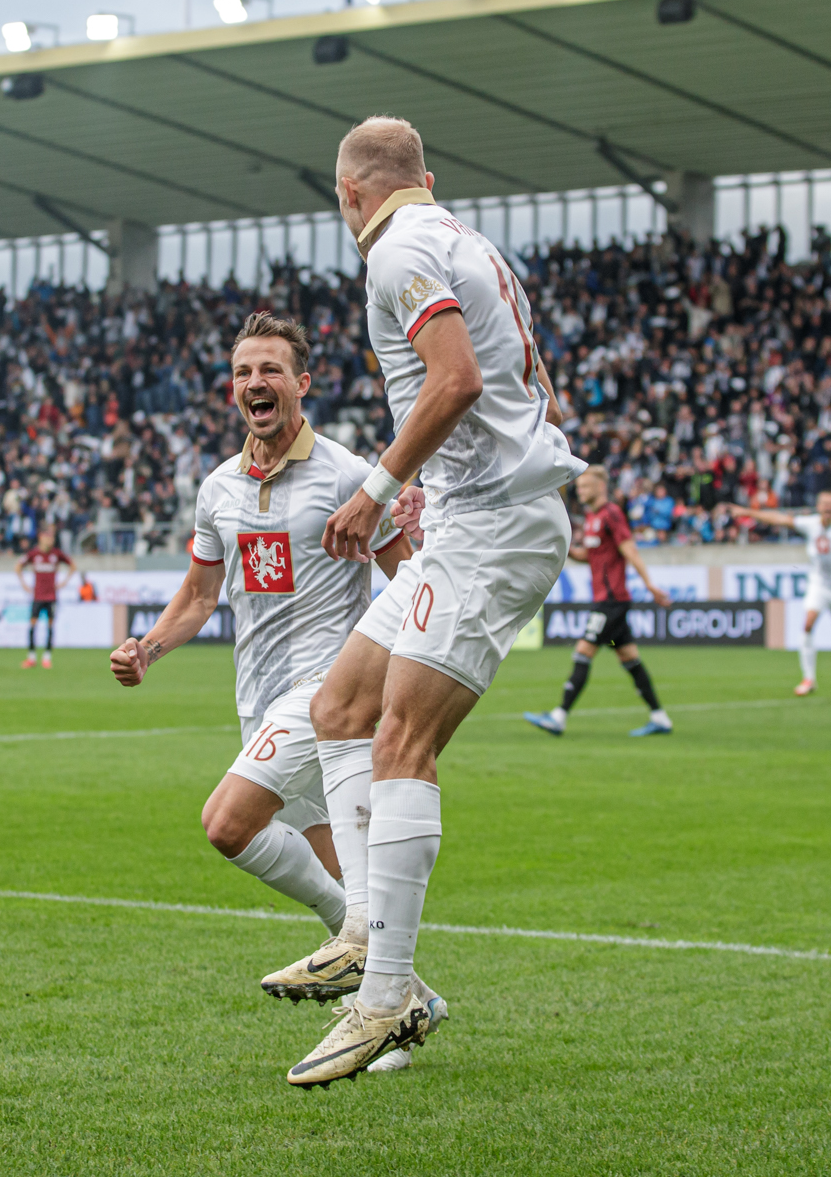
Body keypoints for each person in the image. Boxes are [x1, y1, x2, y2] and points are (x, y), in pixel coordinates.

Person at [281, 115, 585, 1087]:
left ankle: (385, 997)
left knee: (400, 741)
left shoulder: (396, 250)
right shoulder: (465, 242)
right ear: (426, 177)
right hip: (473, 515)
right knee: (340, 707)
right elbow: (525, 386)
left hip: (491, 525)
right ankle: (365, 932)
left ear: (349, 194)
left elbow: (455, 380)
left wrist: (377, 489)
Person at [109, 313, 431, 1068]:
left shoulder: (349, 475)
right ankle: (402, 998)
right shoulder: (218, 486)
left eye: (271, 370)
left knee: (226, 824)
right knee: (346, 878)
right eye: (243, 372)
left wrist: (401, 678)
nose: (256, 382)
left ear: (302, 383)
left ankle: (365, 962)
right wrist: (148, 648)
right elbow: (198, 595)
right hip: (257, 698)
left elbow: (408, 577)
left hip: (326, 694)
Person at [525, 466, 674, 737]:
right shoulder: (593, 517)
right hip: (609, 601)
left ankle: (558, 717)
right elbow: (590, 556)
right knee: (629, 657)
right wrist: (562, 546)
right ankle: (659, 717)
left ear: (601, 487)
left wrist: (649, 584)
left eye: (585, 486)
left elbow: (630, 550)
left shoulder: (611, 514)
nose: (580, 490)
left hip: (611, 602)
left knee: (583, 651)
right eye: (579, 487)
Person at [721, 486, 831, 696]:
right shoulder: (810, 524)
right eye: (825, 504)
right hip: (819, 584)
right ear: (818, 506)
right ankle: (809, 678)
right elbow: (779, 519)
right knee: (808, 624)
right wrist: (748, 512)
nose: (828, 508)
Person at [17, 527, 75, 669]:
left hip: (51, 597)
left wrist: (64, 582)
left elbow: (73, 566)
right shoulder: (34, 554)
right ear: (41, 538)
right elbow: (18, 566)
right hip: (37, 596)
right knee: (32, 626)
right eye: (48, 537)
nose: (50, 540)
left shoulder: (56, 554)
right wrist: (24, 584)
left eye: (52, 538)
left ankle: (47, 658)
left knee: (50, 627)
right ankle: (31, 657)